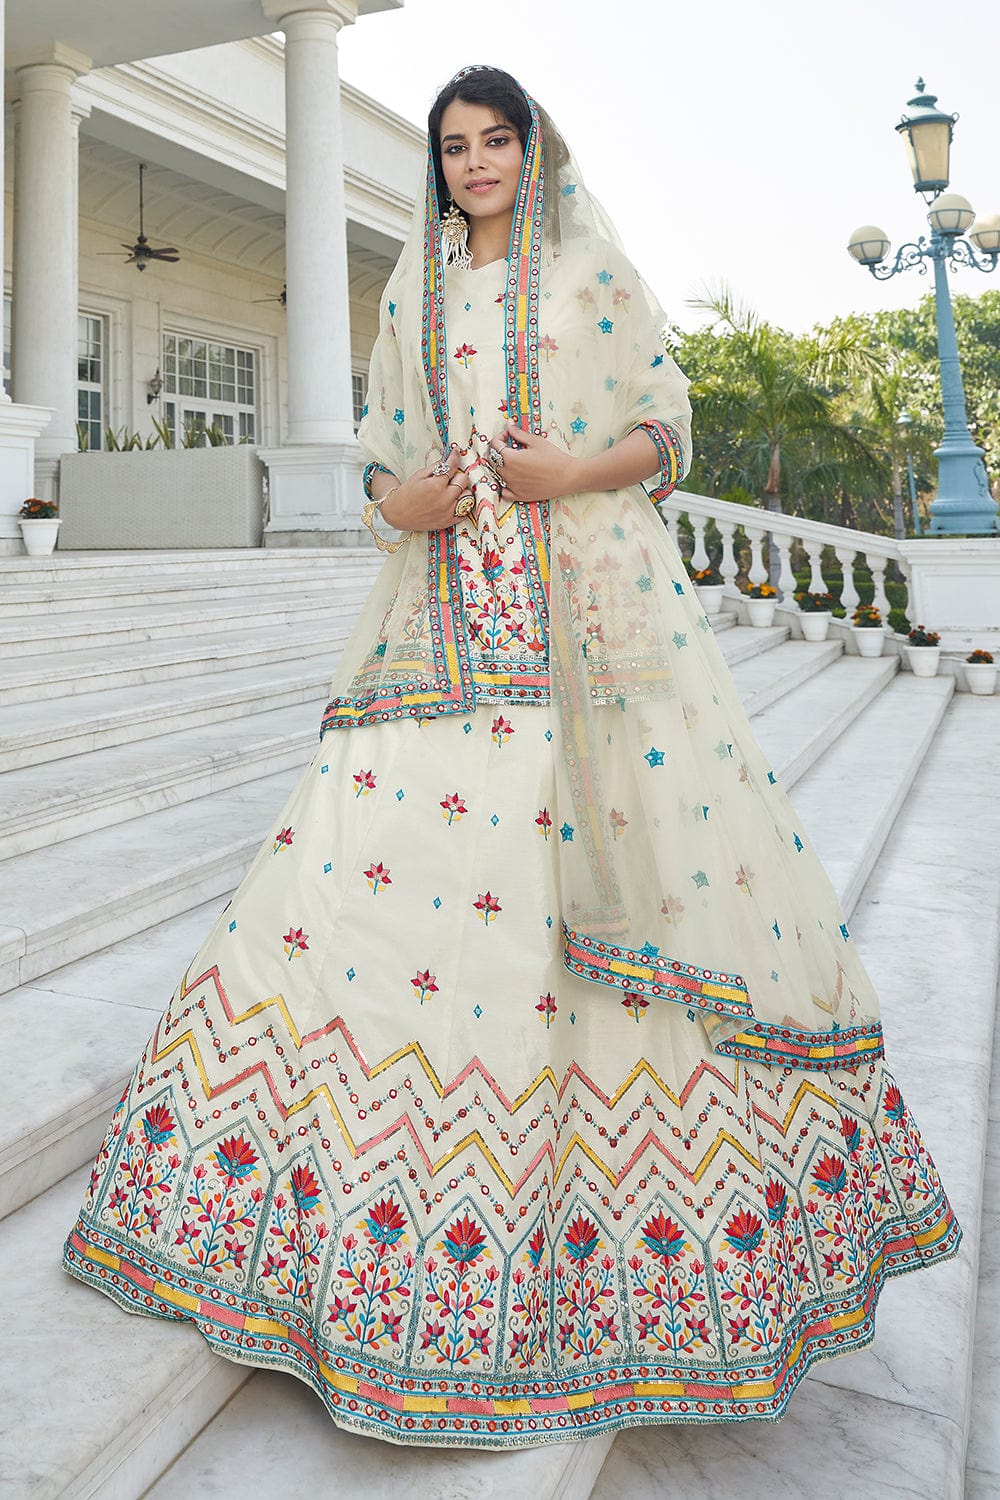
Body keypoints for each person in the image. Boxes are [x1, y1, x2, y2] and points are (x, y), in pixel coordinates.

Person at [63, 65, 959, 1450]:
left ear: (533, 150)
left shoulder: (590, 265)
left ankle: (633, 1274)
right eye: (454, 146)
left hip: (593, 625)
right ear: (435, 163)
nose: (475, 164)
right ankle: (335, 1239)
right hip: (437, 629)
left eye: (496, 142)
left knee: (615, 905)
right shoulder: (411, 289)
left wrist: (567, 476)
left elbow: (668, 422)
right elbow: (376, 452)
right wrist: (394, 502)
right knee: (356, 880)